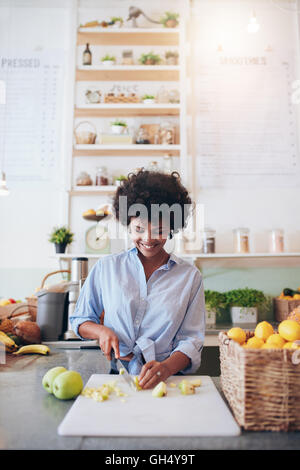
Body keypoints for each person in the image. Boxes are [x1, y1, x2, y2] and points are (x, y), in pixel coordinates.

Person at [70, 170, 206, 390]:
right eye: (139, 229)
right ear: (128, 224)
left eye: (159, 230)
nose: (148, 239)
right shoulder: (107, 268)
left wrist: (167, 368)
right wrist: (101, 331)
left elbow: (192, 339)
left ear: (173, 227)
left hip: (168, 379)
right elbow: (81, 319)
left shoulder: (190, 277)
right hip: (117, 376)